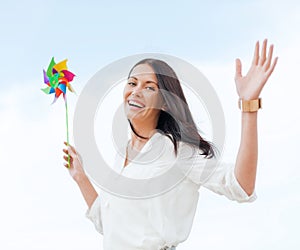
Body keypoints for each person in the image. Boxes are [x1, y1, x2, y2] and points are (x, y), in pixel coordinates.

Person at [63, 39, 278, 250]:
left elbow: (241, 185)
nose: (136, 91)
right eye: (132, 83)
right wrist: (81, 178)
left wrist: (249, 106)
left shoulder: (176, 151)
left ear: (164, 102)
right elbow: (109, 223)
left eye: (149, 87)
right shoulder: (123, 154)